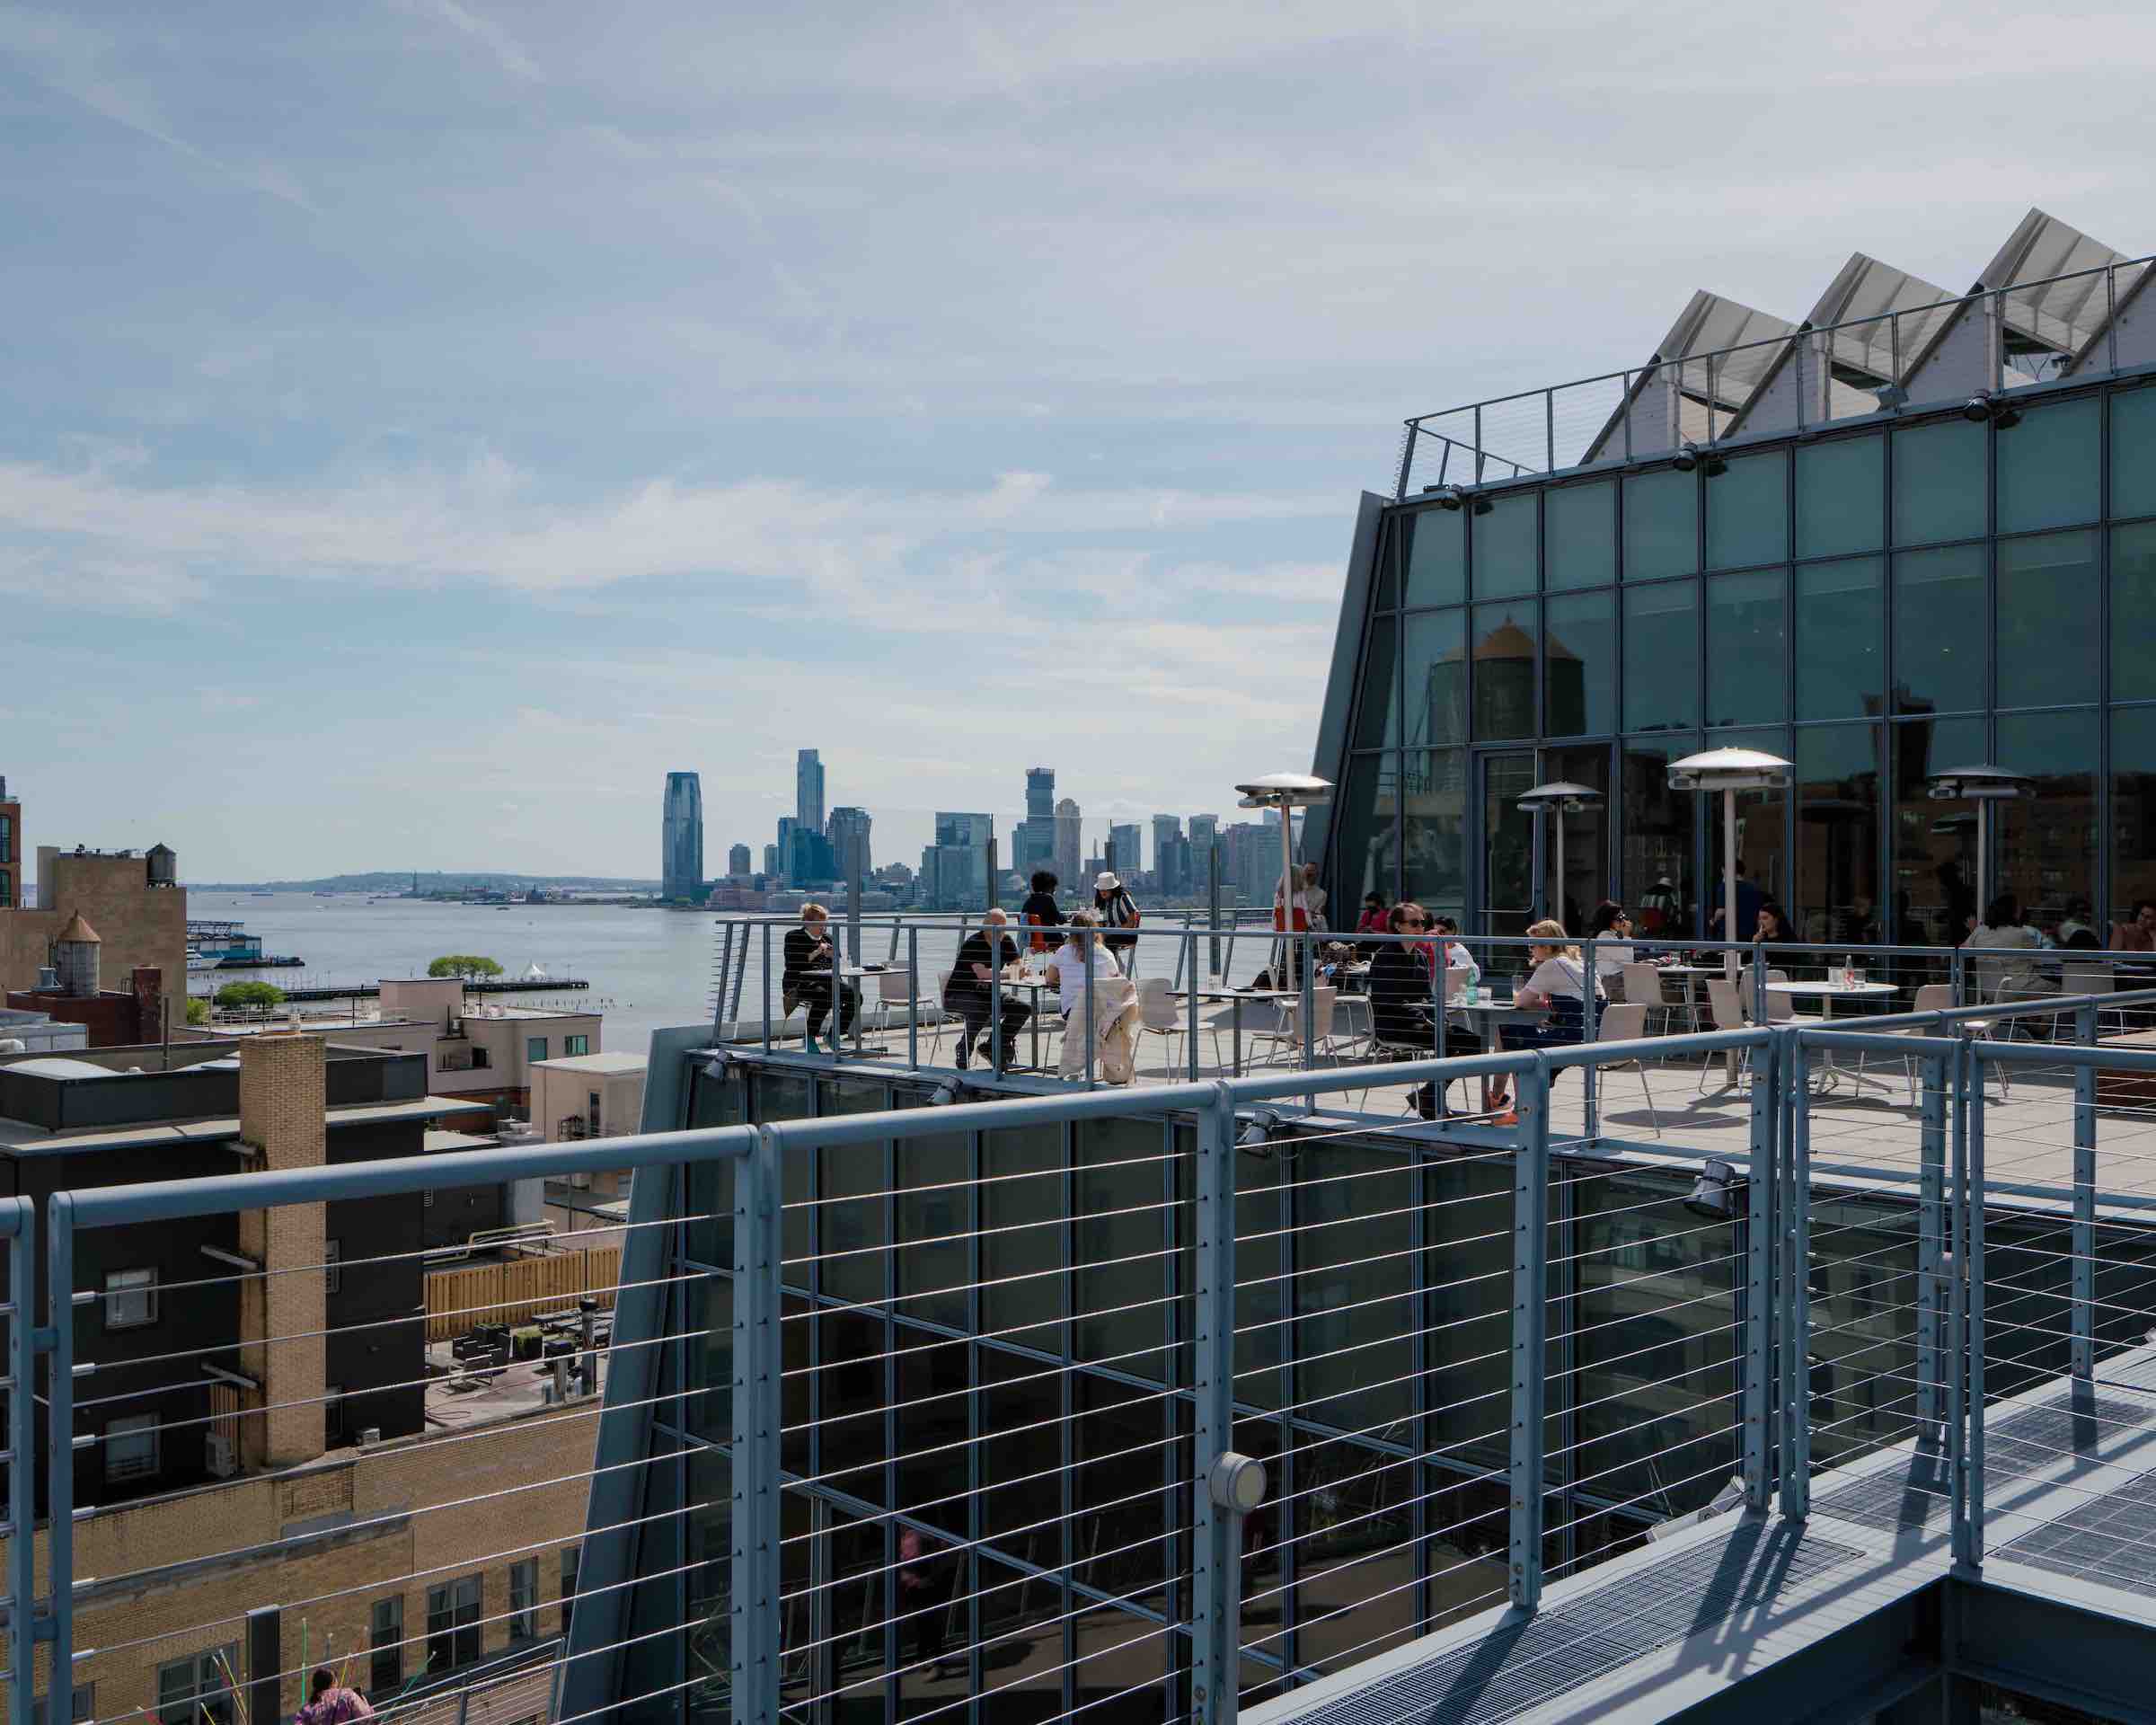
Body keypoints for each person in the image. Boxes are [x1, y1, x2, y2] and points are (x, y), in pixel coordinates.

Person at [1049, 909, 1139, 1081]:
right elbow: (1116, 981)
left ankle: (1075, 1066)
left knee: (1082, 1023)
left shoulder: (1063, 951)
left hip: (1074, 1011)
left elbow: (1049, 979)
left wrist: (1067, 976)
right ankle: (1100, 1065)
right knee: (1094, 1023)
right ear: (1095, 929)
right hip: (1104, 1013)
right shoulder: (1106, 953)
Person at [943, 907, 1030, 1072]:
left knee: (1022, 1009)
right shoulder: (974, 943)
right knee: (981, 1011)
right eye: (995, 925)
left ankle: (992, 1046)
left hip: (988, 993)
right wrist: (1010, 973)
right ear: (985, 925)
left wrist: (1016, 970)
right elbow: (982, 974)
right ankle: (964, 1049)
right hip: (960, 993)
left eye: (1003, 926)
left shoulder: (1006, 941)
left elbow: (1019, 964)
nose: (999, 930)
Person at [782, 903, 857, 1050]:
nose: (823, 928)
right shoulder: (794, 936)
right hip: (800, 982)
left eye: (825, 924)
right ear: (807, 923)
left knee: (855, 997)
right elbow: (794, 964)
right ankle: (810, 1038)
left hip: (827, 980)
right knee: (825, 996)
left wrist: (832, 956)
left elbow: (837, 962)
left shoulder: (828, 938)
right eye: (819, 924)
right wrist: (817, 951)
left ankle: (833, 1034)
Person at [1963, 894, 2047, 1003]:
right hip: (2022, 988)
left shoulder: (1979, 931)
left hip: (1991, 992)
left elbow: (1962, 950)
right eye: (2018, 909)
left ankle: (2028, 1017)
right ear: (2012, 912)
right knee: (2064, 992)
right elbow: (2039, 961)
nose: (2021, 912)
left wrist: (1973, 932)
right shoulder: (2020, 934)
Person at [1586, 901, 1635, 997]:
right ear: (1608, 919)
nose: (1623, 921)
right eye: (1619, 918)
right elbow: (1627, 960)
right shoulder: (1604, 937)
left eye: (1623, 917)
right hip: (1612, 982)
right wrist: (1627, 936)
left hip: (1618, 979)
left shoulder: (1610, 935)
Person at [1094, 871, 1142, 969]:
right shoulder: (1104, 902)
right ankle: (1110, 969)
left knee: (1105, 941)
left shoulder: (1123, 898)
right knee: (1089, 941)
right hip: (1109, 934)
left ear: (1113, 889)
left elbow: (1131, 923)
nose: (1103, 892)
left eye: (1106, 889)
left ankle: (1113, 970)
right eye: (1101, 889)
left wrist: (1110, 932)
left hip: (1127, 934)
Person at [1710, 861, 1766, 941]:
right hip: (1750, 933)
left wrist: (1713, 921)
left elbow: (1721, 911)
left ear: (1725, 870)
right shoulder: (1755, 889)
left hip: (1729, 934)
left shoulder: (1725, 887)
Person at [298, 1669, 373, 1725]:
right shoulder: (347, 1694)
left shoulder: (306, 1708)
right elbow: (366, 1718)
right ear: (332, 1683)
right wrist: (365, 1702)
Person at [1430, 915, 1480, 988]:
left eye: (1442, 932)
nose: (1438, 936)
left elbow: (1476, 975)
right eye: (1435, 932)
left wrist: (1453, 963)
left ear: (1452, 931)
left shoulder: (1461, 952)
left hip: (1453, 993)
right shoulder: (1432, 948)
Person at [1021, 870, 1064, 954]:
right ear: (1049, 887)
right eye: (1054, 887)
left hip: (1032, 939)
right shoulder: (1048, 899)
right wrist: (1068, 918)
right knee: (1073, 940)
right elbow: (1059, 920)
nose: (1054, 890)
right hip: (1050, 938)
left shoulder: (1029, 901)